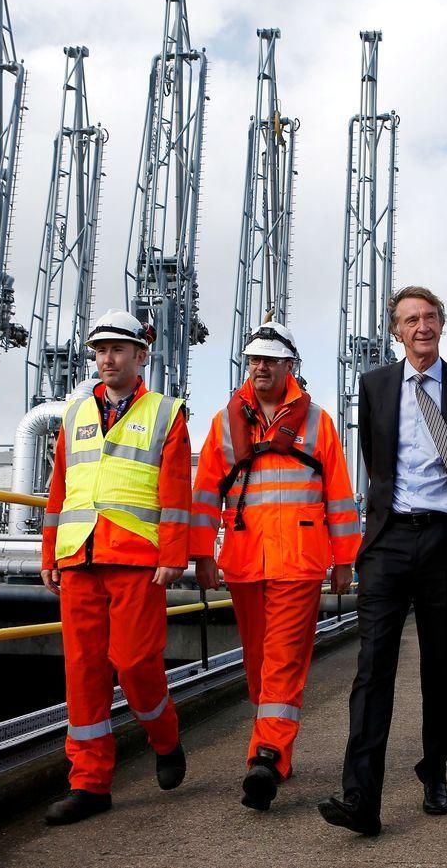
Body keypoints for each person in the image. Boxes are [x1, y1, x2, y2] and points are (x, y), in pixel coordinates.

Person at [318, 285, 447, 836]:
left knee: (440, 665)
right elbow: (377, 462)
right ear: (396, 331)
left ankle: (434, 769)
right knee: (373, 667)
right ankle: (361, 799)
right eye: (410, 319)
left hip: (446, 540)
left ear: (442, 324)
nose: (421, 327)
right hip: (389, 540)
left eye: (429, 317)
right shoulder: (375, 385)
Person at [189, 322, 360, 811]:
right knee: (258, 663)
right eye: (254, 360)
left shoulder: (318, 422)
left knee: (283, 660)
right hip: (245, 559)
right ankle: (275, 748)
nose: (260, 367)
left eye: (270, 360)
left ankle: (264, 756)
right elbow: (205, 494)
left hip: (300, 560)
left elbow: (339, 494)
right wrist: (202, 554)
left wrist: (345, 559)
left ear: (290, 366)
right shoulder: (226, 422)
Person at [38, 309, 191, 825]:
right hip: (78, 556)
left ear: (140, 355)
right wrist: (49, 553)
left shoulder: (165, 413)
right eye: (101, 350)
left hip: (136, 558)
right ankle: (89, 784)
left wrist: (174, 554)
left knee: (135, 663)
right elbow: (59, 489)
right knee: (83, 672)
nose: (108, 359)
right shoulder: (74, 414)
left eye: (118, 349)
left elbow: (176, 492)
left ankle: (165, 739)